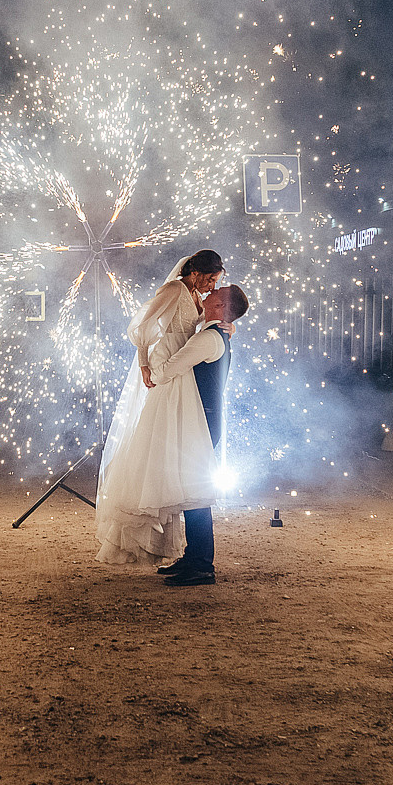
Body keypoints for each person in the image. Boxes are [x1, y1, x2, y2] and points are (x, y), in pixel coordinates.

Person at [93, 251, 226, 565]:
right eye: (210, 279)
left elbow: (201, 332)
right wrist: (144, 363)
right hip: (167, 367)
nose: (211, 286)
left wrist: (222, 326)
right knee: (159, 451)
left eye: (216, 281)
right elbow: (141, 327)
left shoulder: (194, 296)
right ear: (197, 272)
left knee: (176, 460)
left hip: (181, 371)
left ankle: (184, 551)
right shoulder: (173, 291)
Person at [147, 282, 247, 586]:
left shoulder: (208, 340)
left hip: (201, 423)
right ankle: (194, 557)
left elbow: (166, 371)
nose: (210, 291)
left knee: (195, 492)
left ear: (222, 307)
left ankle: (203, 565)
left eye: (218, 291)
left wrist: (149, 360)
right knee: (191, 490)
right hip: (203, 421)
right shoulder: (215, 334)